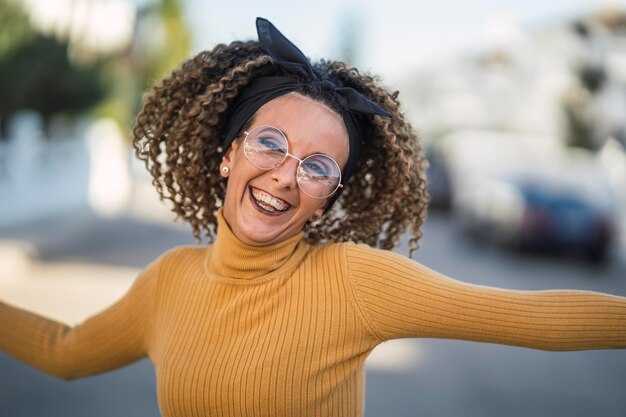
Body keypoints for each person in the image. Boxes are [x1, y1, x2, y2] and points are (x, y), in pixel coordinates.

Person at [1, 17, 626, 417]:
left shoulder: (352, 282)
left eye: (318, 165)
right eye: (270, 143)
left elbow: (525, 316)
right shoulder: (168, 281)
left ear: (327, 196)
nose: (285, 175)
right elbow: (66, 349)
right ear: (228, 155)